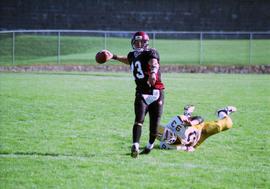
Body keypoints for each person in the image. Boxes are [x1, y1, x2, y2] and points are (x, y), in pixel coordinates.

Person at [103, 31, 165, 158]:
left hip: (156, 92)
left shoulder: (151, 52)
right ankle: (135, 145)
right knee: (139, 120)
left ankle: (149, 146)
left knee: (154, 126)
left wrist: (153, 73)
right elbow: (128, 60)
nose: (138, 44)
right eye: (136, 42)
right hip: (141, 92)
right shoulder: (132, 55)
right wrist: (113, 56)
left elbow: (154, 62)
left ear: (146, 42)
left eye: (141, 42)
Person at [157, 105, 237, 152]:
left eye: (168, 134)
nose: (170, 137)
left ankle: (222, 112)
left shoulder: (176, 121)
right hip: (196, 141)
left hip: (200, 128)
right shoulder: (165, 145)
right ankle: (187, 112)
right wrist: (188, 148)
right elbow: (183, 148)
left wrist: (192, 122)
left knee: (228, 124)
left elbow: (200, 118)